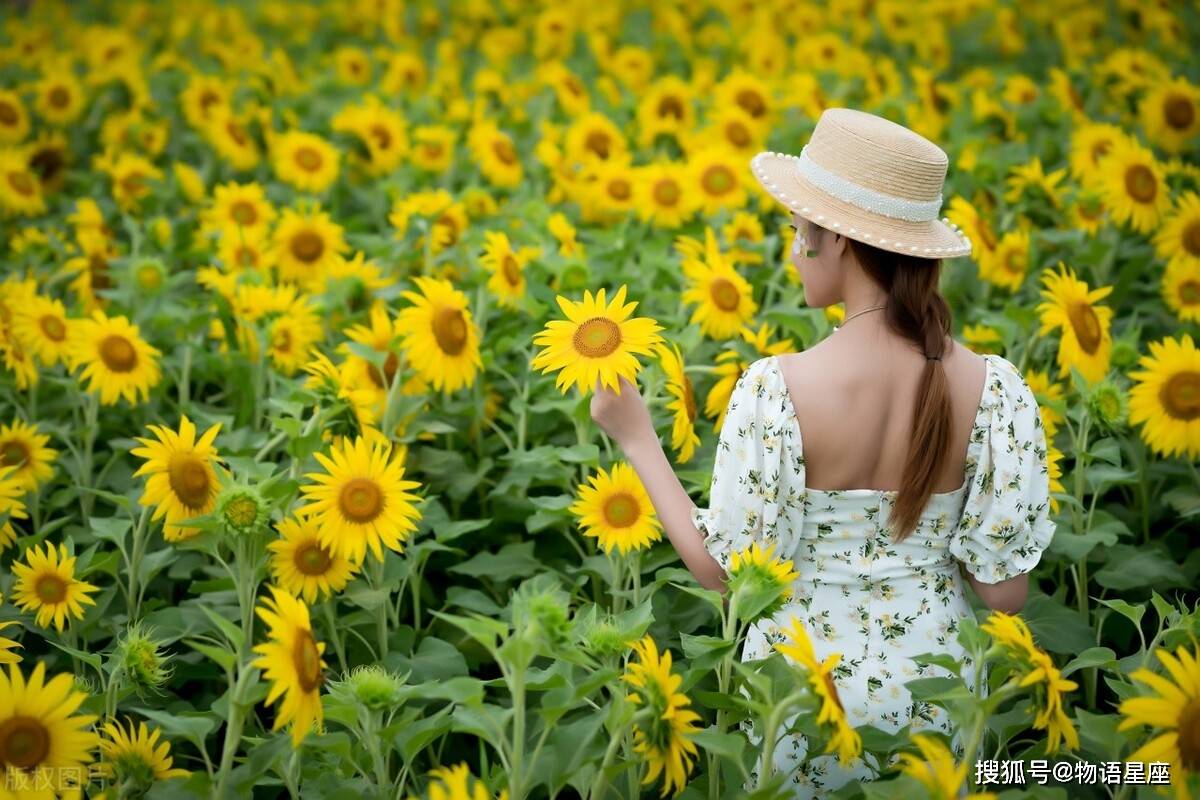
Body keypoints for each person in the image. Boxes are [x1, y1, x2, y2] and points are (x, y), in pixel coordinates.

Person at [589, 107, 1056, 796]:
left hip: (799, 699)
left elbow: (727, 574)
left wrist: (636, 438)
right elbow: (1002, 593)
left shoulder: (777, 390)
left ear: (834, 240)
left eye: (798, 231)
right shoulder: (996, 390)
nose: (794, 248)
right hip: (941, 701)